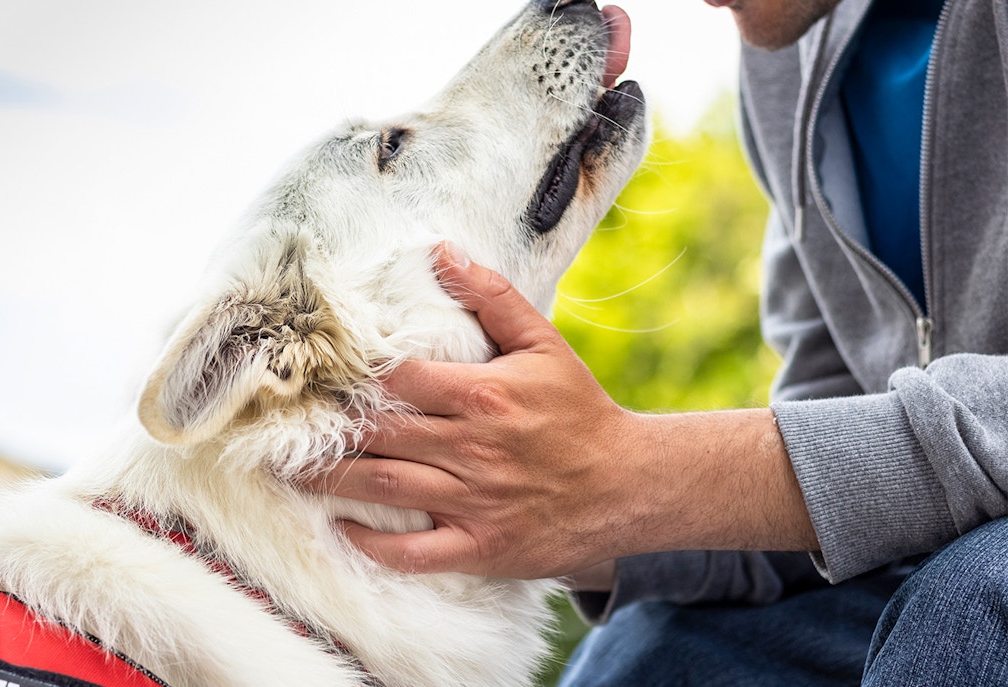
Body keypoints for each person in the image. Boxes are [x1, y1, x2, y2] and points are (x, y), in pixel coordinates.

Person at [307, 0, 1008, 683]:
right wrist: (553, 512)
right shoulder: (785, 64)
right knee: (650, 652)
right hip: (910, 569)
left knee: (964, 603)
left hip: (965, 583)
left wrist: (635, 468)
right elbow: (831, 490)